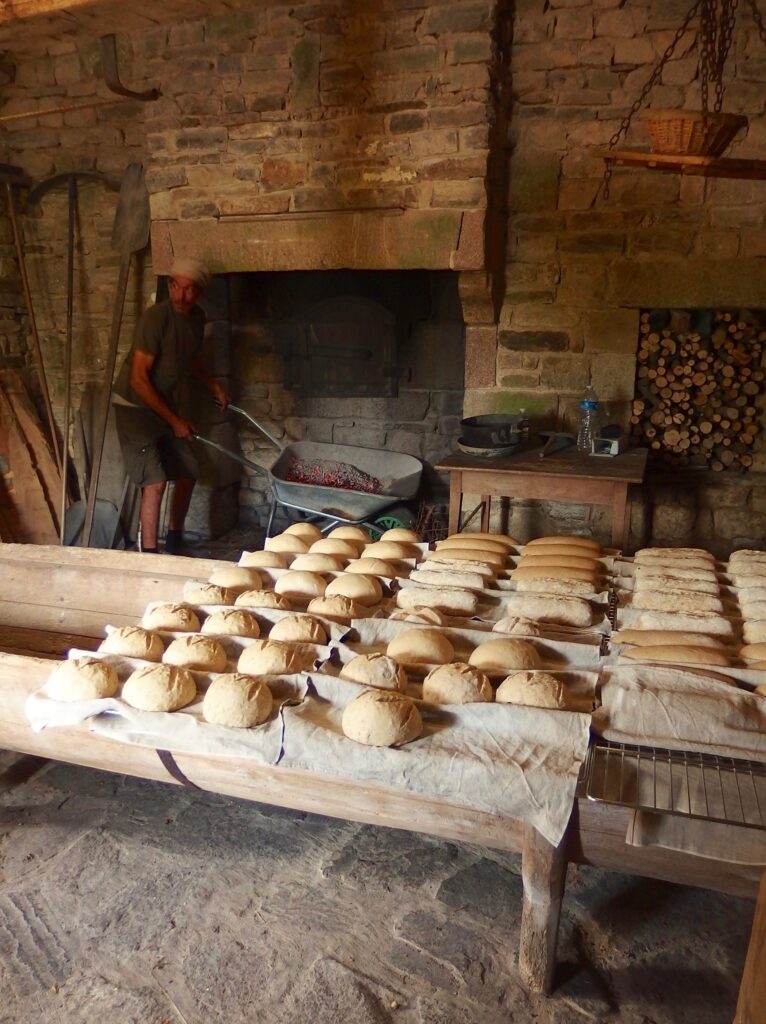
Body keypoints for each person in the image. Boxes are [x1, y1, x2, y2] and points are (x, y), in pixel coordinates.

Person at [112, 258, 229, 554]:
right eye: (175, 286)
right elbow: (139, 379)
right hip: (135, 408)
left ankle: (175, 542)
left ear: (200, 292)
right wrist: (175, 421)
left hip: (163, 406)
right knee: (156, 481)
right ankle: (150, 554)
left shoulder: (196, 318)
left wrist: (213, 384)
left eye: (189, 289)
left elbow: (190, 358)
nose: (180, 295)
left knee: (188, 470)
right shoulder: (156, 318)